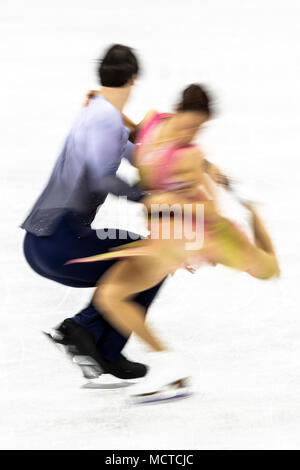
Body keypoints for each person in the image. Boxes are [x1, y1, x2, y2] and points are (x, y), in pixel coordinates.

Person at [68, 84, 280, 400]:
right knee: (111, 295)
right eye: (190, 124)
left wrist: (164, 200)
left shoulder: (190, 155)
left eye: (199, 128)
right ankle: (168, 363)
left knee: (267, 269)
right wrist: (109, 111)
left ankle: (253, 213)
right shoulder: (154, 122)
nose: (192, 133)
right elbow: (140, 136)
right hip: (165, 237)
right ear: (177, 110)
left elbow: (209, 208)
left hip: (195, 232)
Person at [21, 44, 166, 380]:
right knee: (153, 258)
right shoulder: (106, 120)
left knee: (143, 260)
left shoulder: (95, 112)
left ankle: (95, 348)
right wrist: (145, 198)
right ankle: (86, 336)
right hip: (60, 240)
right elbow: (104, 177)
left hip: (41, 242)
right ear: (134, 79)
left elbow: (137, 157)